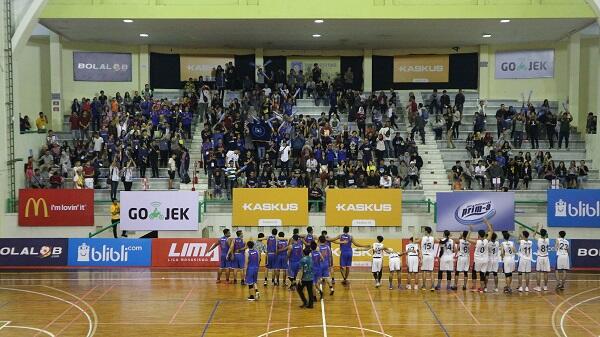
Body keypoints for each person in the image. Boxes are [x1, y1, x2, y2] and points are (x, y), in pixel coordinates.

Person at [471, 219, 494, 293]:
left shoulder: (477, 242)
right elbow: (491, 231)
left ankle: (474, 287)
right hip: (485, 260)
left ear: (478, 235)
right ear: (484, 235)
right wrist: (487, 222)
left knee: (474, 272)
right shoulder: (487, 240)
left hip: (478, 260)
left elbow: (467, 239)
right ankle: (482, 288)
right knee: (482, 274)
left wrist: (470, 230)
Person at [516, 225, 538, 292]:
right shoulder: (530, 242)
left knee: (520, 273)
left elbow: (517, 241)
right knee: (527, 273)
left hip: (522, 259)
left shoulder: (521, 241)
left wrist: (519, 236)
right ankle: (527, 287)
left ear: (524, 236)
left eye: (522, 235)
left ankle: (520, 287)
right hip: (528, 259)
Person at [415, 226, 435, 291]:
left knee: (424, 271)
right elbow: (440, 241)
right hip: (431, 256)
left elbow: (415, 241)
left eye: (424, 230)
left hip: (425, 256)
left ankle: (424, 286)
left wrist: (416, 238)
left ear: (426, 231)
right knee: (431, 272)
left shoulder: (422, 238)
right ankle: (432, 287)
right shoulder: (433, 238)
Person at [534, 228, 550, 292]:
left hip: (540, 257)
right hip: (546, 257)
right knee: (545, 273)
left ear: (540, 234)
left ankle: (538, 287)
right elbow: (547, 236)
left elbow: (533, 235)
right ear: (545, 234)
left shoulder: (538, 239)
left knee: (538, 272)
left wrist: (536, 228)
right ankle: (545, 286)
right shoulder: (547, 240)